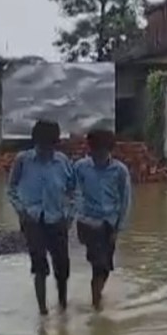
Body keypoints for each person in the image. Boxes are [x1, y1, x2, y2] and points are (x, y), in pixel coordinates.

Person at [7, 120, 76, 315]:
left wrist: (69, 215)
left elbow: (74, 190)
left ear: (55, 144)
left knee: (62, 265)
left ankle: (63, 304)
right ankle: (42, 310)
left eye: (49, 145)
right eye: (41, 145)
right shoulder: (23, 160)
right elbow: (11, 188)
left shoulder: (62, 161)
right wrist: (21, 210)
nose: (45, 149)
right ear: (35, 142)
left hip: (57, 218)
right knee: (39, 264)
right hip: (32, 219)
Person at [73, 129, 132, 311]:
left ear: (109, 150)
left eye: (102, 150)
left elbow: (125, 199)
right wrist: (77, 212)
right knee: (98, 263)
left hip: (109, 223)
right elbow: (72, 191)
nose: (98, 155)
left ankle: (97, 295)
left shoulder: (119, 170)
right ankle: (96, 303)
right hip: (88, 222)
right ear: (90, 149)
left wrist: (118, 227)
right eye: (95, 150)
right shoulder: (81, 167)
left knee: (105, 267)